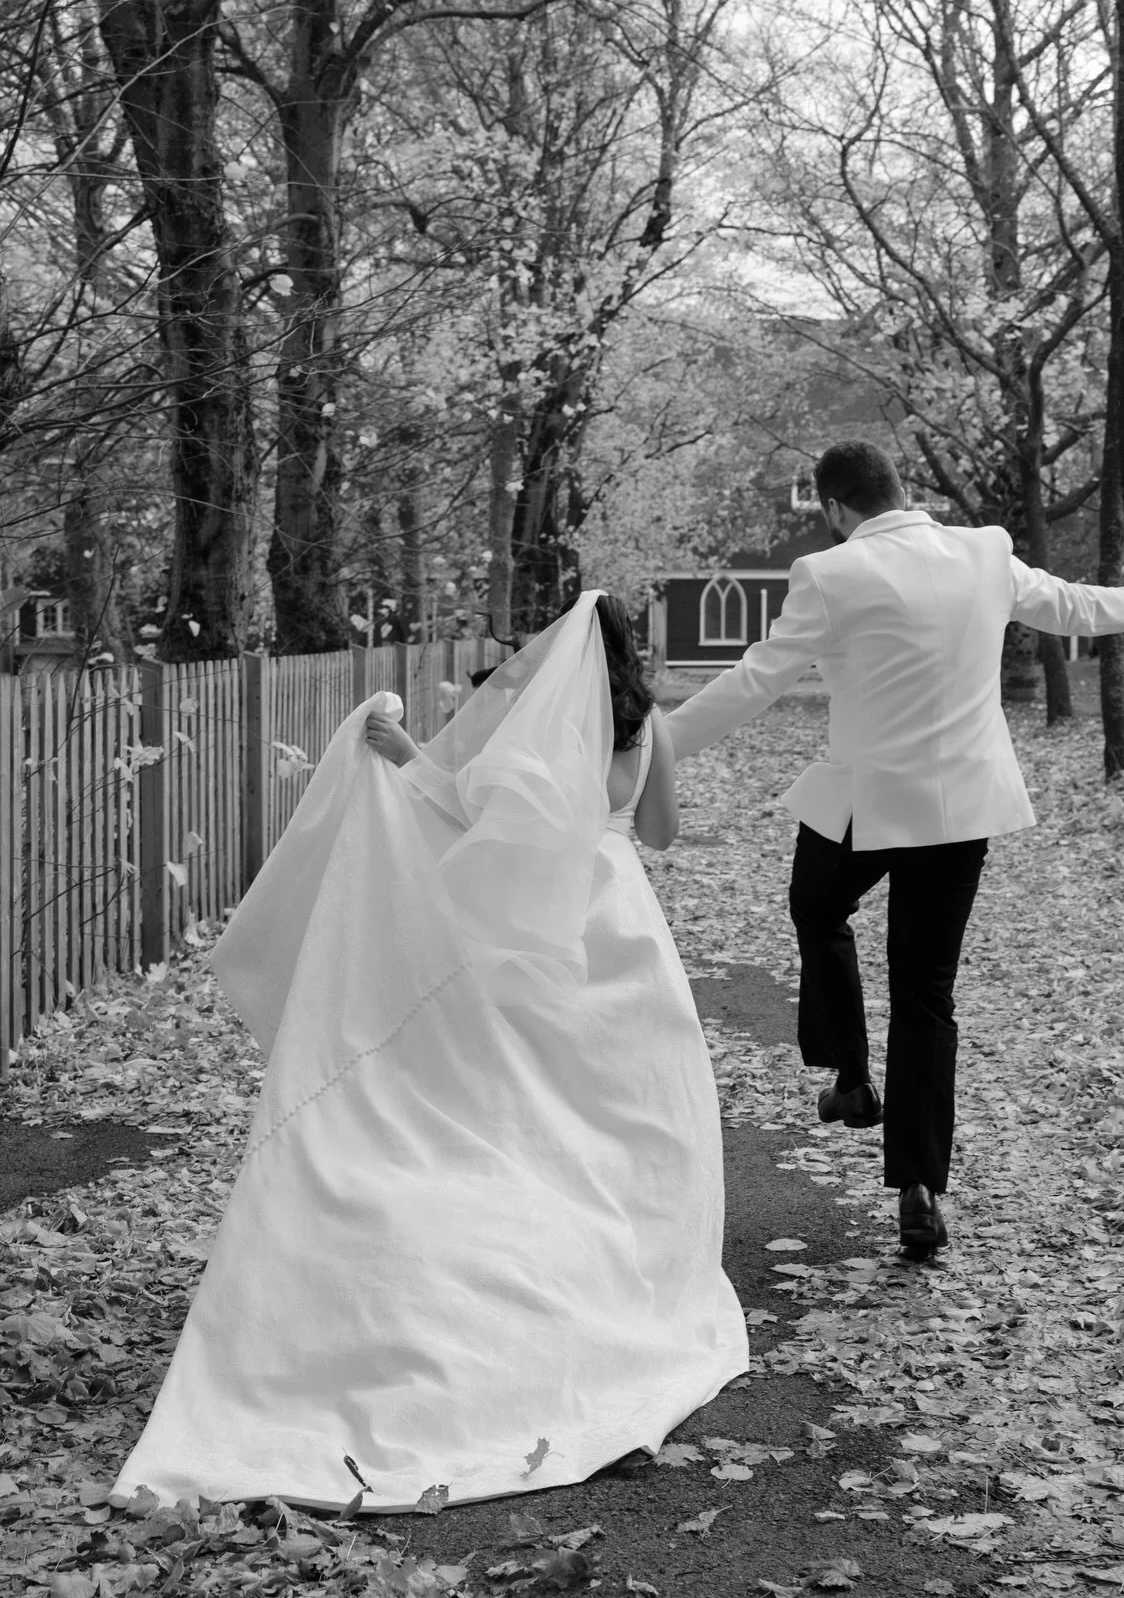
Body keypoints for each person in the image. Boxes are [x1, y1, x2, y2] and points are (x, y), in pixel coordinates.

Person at [112, 591, 746, 1513]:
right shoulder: (649, 732)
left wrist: (408, 760)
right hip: (616, 921)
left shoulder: (535, 727)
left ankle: (529, 1229)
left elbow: (474, 822)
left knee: (526, 1087)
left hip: (535, 923)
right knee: (630, 1099)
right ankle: (635, 1259)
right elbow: (660, 834)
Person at [666, 442, 1124, 1260]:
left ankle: (850, 1073)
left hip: (865, 804)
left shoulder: (829, 574)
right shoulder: (984, 552)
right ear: (902, 488)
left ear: (835, 509)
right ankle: (918, 1190)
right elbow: (1074, 607)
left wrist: (656, 748)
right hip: (959, 809)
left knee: (816, 907)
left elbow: (755, 680)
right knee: (925, 996)